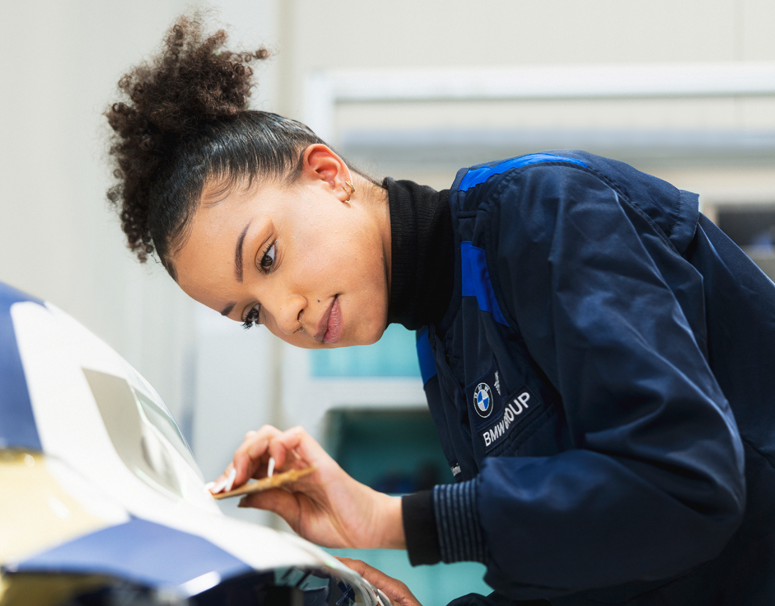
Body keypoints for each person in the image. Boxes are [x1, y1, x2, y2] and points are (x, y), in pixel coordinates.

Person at [104, 14, 775, 606]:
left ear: (327, 175)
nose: (288, 315)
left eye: (269, 257)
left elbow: (685, 486)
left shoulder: (544, 213)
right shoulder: (444, 343)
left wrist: (395, 520)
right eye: (250, 314)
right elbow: (594, 572)